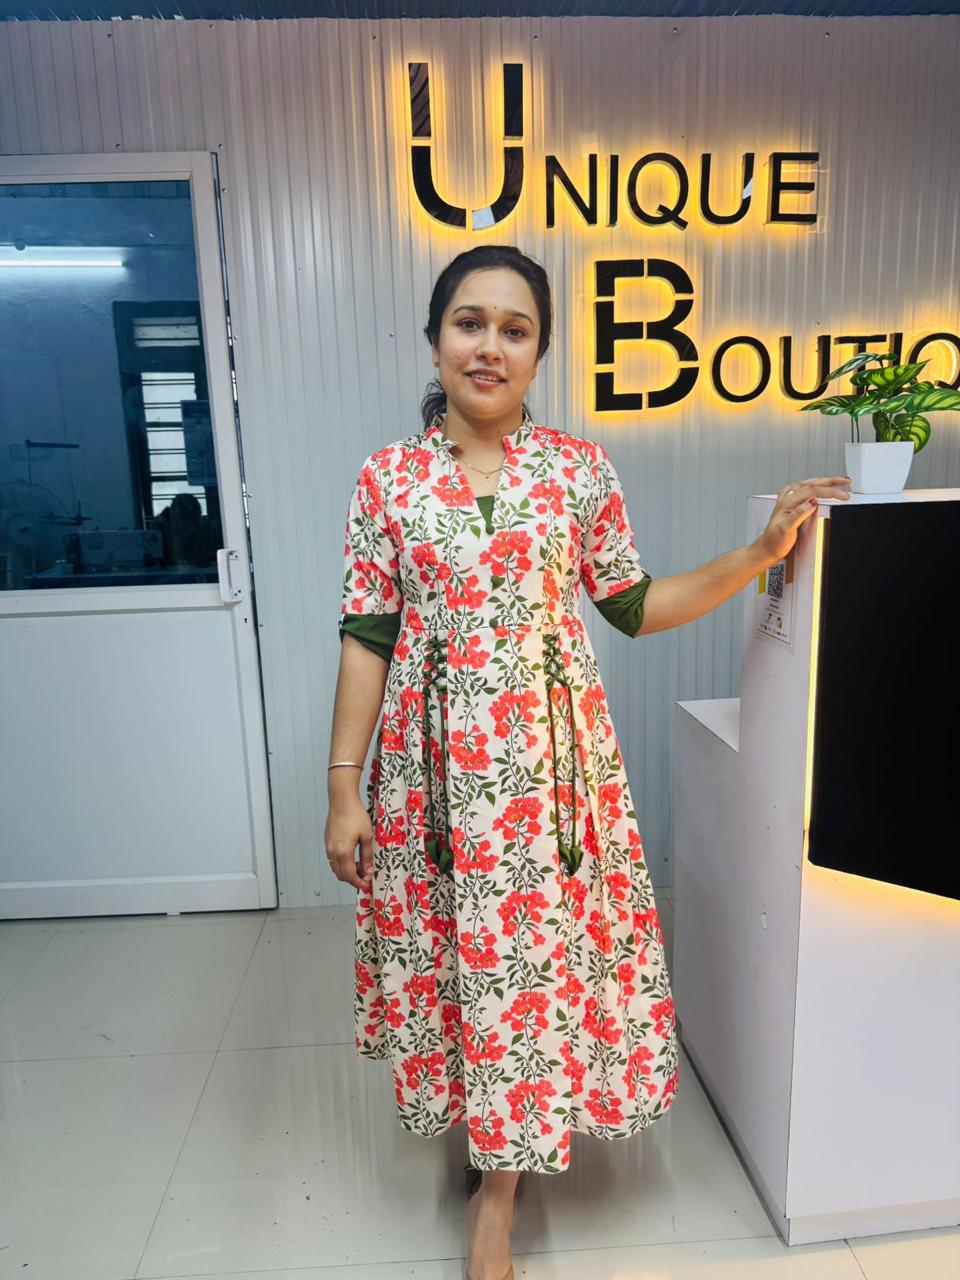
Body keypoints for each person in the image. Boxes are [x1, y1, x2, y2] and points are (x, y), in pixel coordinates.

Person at [326, 245, 851, 1280]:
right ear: (434, 340)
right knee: (458, 961)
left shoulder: (577, 470)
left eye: (515, 329)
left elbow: (632, 605)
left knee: (527, 967)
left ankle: (500, 1192)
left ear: (540, 352)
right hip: (432, 785)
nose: (490, 346)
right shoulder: (387, 479)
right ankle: (487, 1132)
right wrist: (343, 785)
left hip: (550, 785)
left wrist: (756, 555)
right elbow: (367, 636)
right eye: (470, 323)